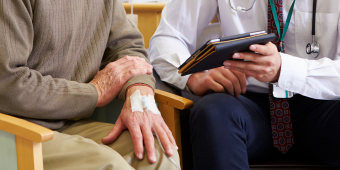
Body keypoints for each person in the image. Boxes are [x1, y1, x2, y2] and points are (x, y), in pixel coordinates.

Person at [148, 0, 340, 169]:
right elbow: (167, 36)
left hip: (322, 103)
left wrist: (285, 70)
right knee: (212, 112)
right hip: (246, 102)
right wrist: (190, 76)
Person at [0, 0, 179, 169]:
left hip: (71, 121)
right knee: (110, 165)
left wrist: (138, 92)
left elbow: (127, 46)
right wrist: (94, 92)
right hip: (13, 128)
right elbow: (8, 83)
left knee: (159, 153)